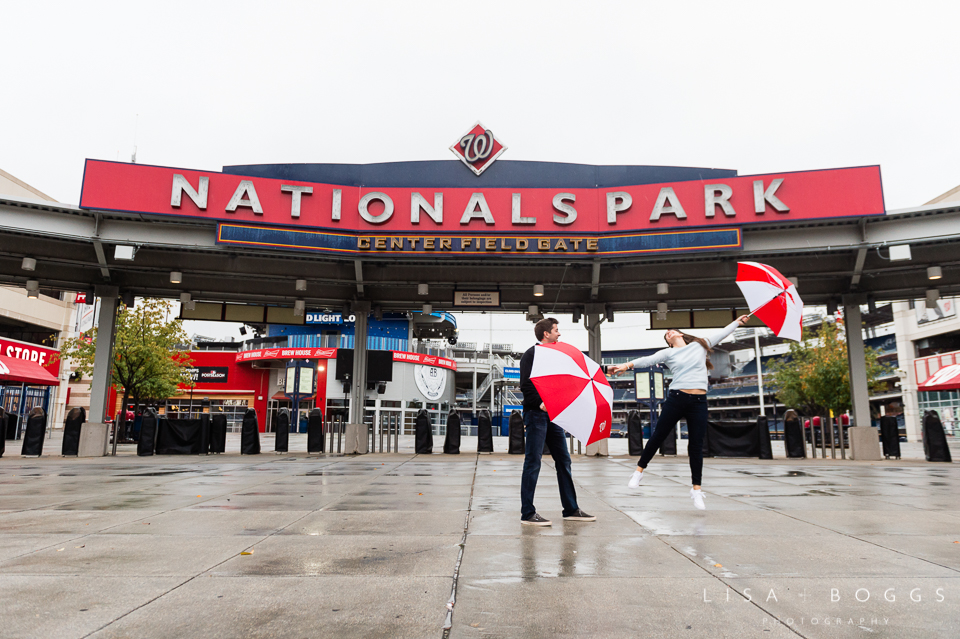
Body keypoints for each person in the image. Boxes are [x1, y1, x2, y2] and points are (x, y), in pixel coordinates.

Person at [610, 315, 749, 510]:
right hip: (677, 397)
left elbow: (723, 333)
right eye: (666, 334)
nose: (669, 332)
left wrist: (737, 322)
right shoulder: (668, 353)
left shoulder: (700, 345)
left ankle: (696, 490)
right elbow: (646, 360)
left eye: (671, 330)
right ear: (668, 341)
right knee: (658, 435)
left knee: (696, 445)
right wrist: (626, 365)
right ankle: (639, 471)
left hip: (699, 401)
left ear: (681, 333)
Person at [518, 317, 596, 526]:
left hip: (554, 416)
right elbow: (525, 386)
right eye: (556, 330)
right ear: (546, 334)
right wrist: (541, 403)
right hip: (536, 414)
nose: (559, 333)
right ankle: (527, 513)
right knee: (533, 462)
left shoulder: (557, 355)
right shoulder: (531, 354)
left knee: (564, 460)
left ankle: (570, 509)